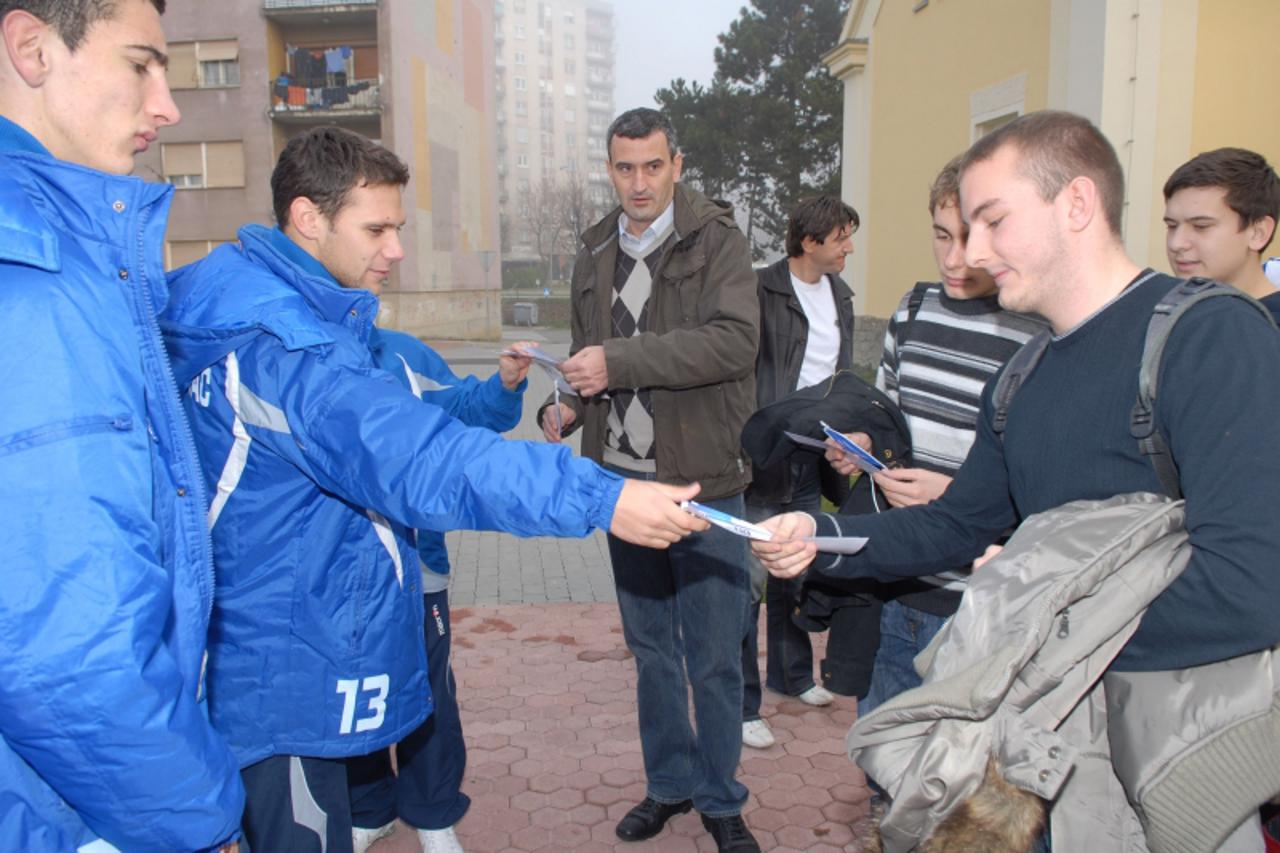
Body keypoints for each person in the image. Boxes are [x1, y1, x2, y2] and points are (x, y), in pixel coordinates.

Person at [159, 125, 706, 853]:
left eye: (399, 229)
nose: (396, 250)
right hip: (279, 672)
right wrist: (602, 497)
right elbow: (423, 457)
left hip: (272, 641)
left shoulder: (241, 297)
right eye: (376, 229)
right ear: (307, 218)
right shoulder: (285, 346)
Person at [753, 110, 1280, 848]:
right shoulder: (1021, 376)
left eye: (994, 222)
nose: (972, 252)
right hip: (1043, 753)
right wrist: (820, 535)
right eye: (966, 228)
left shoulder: (1209, 336)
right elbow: (954, 524)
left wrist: (1029, 618)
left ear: (1077, 203)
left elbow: (1251, 586)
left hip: (1167, 766)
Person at [0, 2, 246, 851]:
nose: (166, 105)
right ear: (32, 49)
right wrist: (199, 818)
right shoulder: (35, 281)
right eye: (140, 64)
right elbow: (68, 649)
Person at [538, 107, 762, 852]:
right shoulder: (595, 247)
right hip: (622, 490)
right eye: (624, 167)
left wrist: (619, 362)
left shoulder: (718, 240)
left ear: (677, 165)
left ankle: (722, 798)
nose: (639, 182)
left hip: (703, 483)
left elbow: (734, 344)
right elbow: (584, 353)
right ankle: (669, 785)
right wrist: (566, 405)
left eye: (653, 166)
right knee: (653, 652)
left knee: (715, 656)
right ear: (610, 169)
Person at [838, 156, 1046, 724]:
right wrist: (864, 446)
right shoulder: (912, 310)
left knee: (960, 768)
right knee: (882, 754)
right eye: (941, 235)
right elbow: (891, 423)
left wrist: (952, 495)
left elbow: (1046, 487)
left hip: (979, 602)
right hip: (894, 584)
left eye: (970, 237)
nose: (955, 258)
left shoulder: (1036, 330)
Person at [347, 332, 535, 853]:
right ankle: (370, 808)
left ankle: (431, 809)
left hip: (418, 564)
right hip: (342, 574)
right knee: (357, 690)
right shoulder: (308, 355)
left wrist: (505, 384)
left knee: (428, 688)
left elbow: (470, 411)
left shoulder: (403, 354)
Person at [739, 195, 858, 750]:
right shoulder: (759, 290)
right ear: (809, 241)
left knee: (796, 569)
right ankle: (742, 705)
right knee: (748, 583)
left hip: (812, 457)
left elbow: (841, 375)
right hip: (763, 458)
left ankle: (791, 676)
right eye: (840, 237)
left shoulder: (842, 296)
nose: (848, 247)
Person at [1163, 147, 1280, 321]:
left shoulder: (1269, 329)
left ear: (1258, 233)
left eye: (1201, 226)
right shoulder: (1165, 315)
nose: (1176, 244)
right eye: (1172, 226)